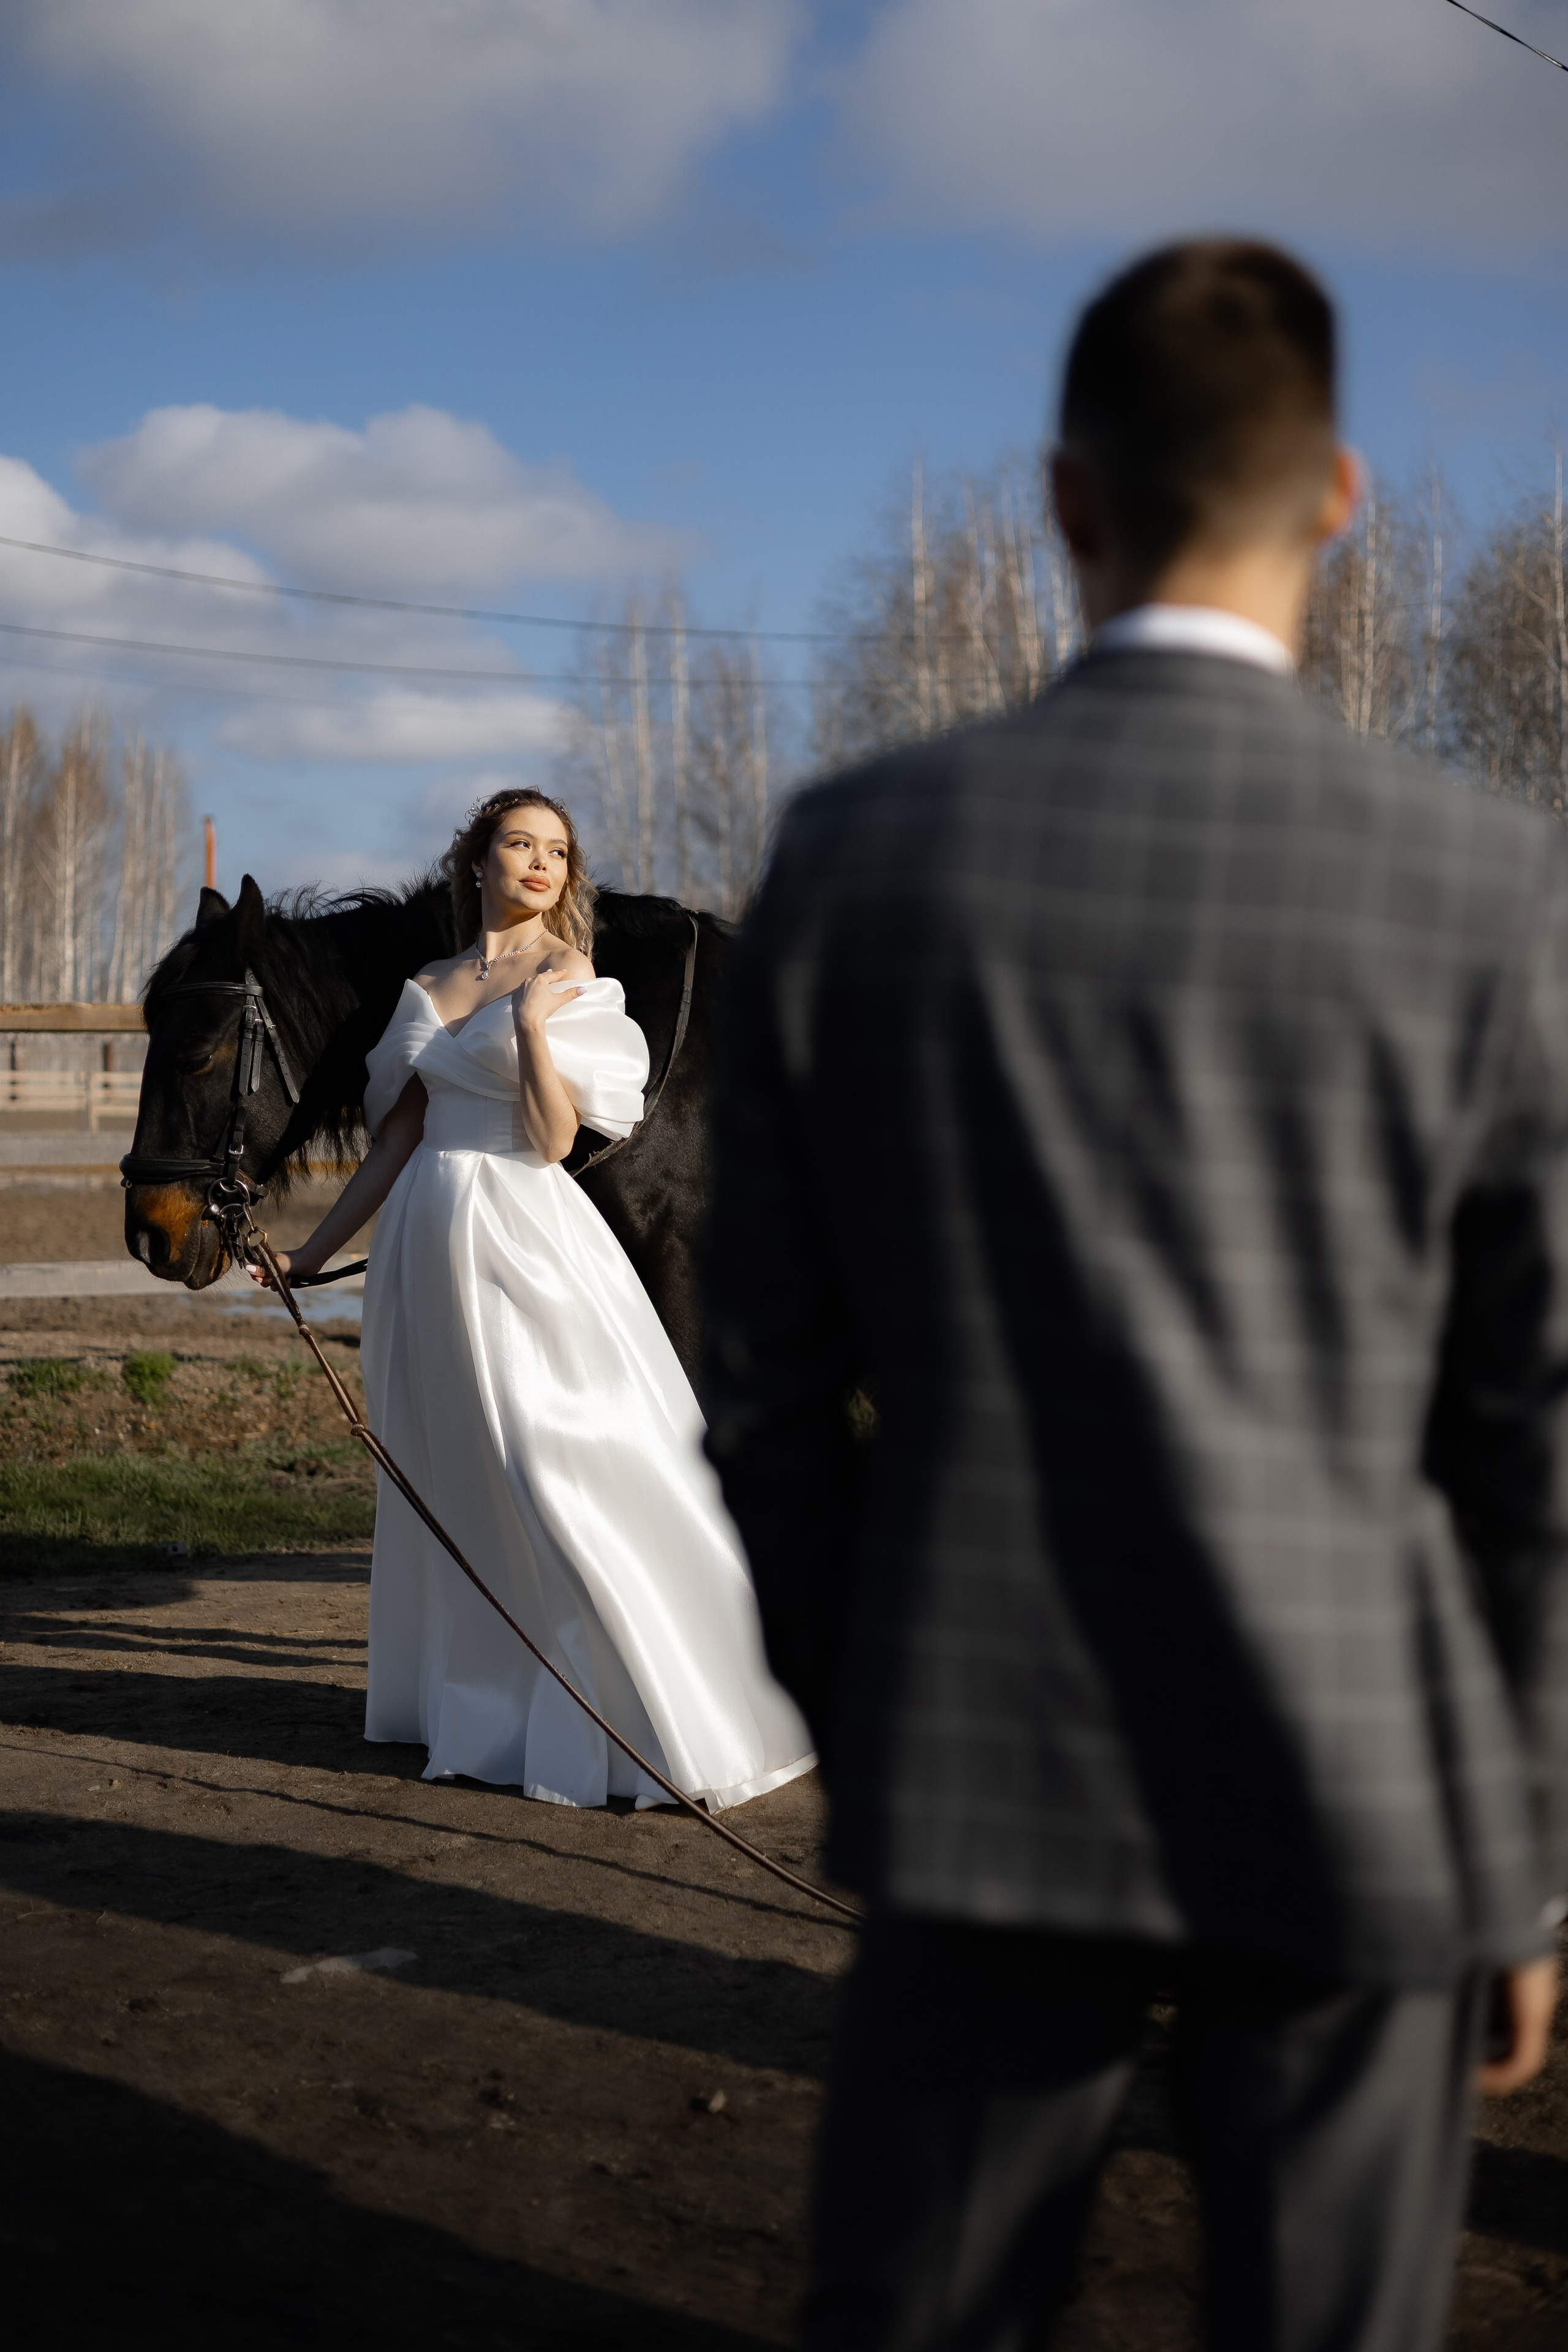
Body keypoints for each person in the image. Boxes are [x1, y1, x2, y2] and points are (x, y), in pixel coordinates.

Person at [702, 241, 1568, 2350]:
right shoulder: (1490, 886)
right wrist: (1527, 1848)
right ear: (1339, 495)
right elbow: (1533, 1429)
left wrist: (866, 1697)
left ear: (1064, 497)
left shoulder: (857, 855)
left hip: (977, 1756)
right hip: (1372, 1778)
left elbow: (764, 1380)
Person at [262, 788, 812, 1813]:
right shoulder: (429, 982)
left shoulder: (567, 975)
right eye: (520, 844)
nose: (541, 863)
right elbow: (397, 1139)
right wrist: (310, 1254)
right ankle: (492, 1713)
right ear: (476, 862)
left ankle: (650, 1705)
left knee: (553, 1459)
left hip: (521, 1231)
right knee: (456, 1468)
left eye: (557, 850)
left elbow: (557, 1141)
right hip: (425, 1243)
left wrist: (529, 1029)